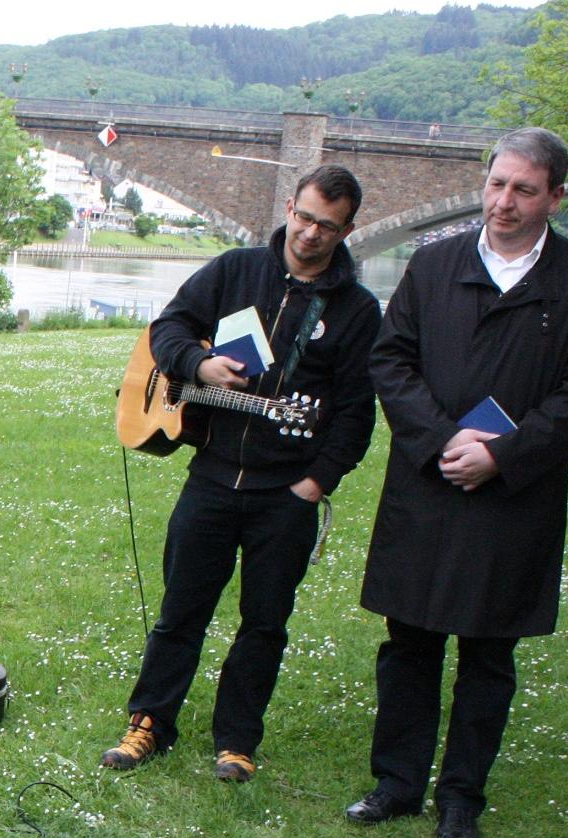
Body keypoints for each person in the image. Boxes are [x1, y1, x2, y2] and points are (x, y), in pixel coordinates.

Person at [348, 127, 568, 838]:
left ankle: (460, 798)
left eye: (523, 189)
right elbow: (391, 360)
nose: (503, 202)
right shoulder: (432, 264)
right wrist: (442, 440)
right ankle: (396, 784)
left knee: (488, 652)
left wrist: (501, 454)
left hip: (512, 497)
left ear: (554, 197)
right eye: (496, 184)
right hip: (427, 485)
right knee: (407, 642)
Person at [100, 165, 381, 782]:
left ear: (347, 230)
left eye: (326, 227)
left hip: (286, 493)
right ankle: (150, 722)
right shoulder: (235, 269)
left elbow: (359, 412)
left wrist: (317, 482)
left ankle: (236, 739)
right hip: (211, 475)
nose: (308, 234)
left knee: (264, 624)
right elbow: (168, 328)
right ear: (290, 205)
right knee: (181, 611)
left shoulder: (357, 310)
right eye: (303, 217)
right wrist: (198, 365)